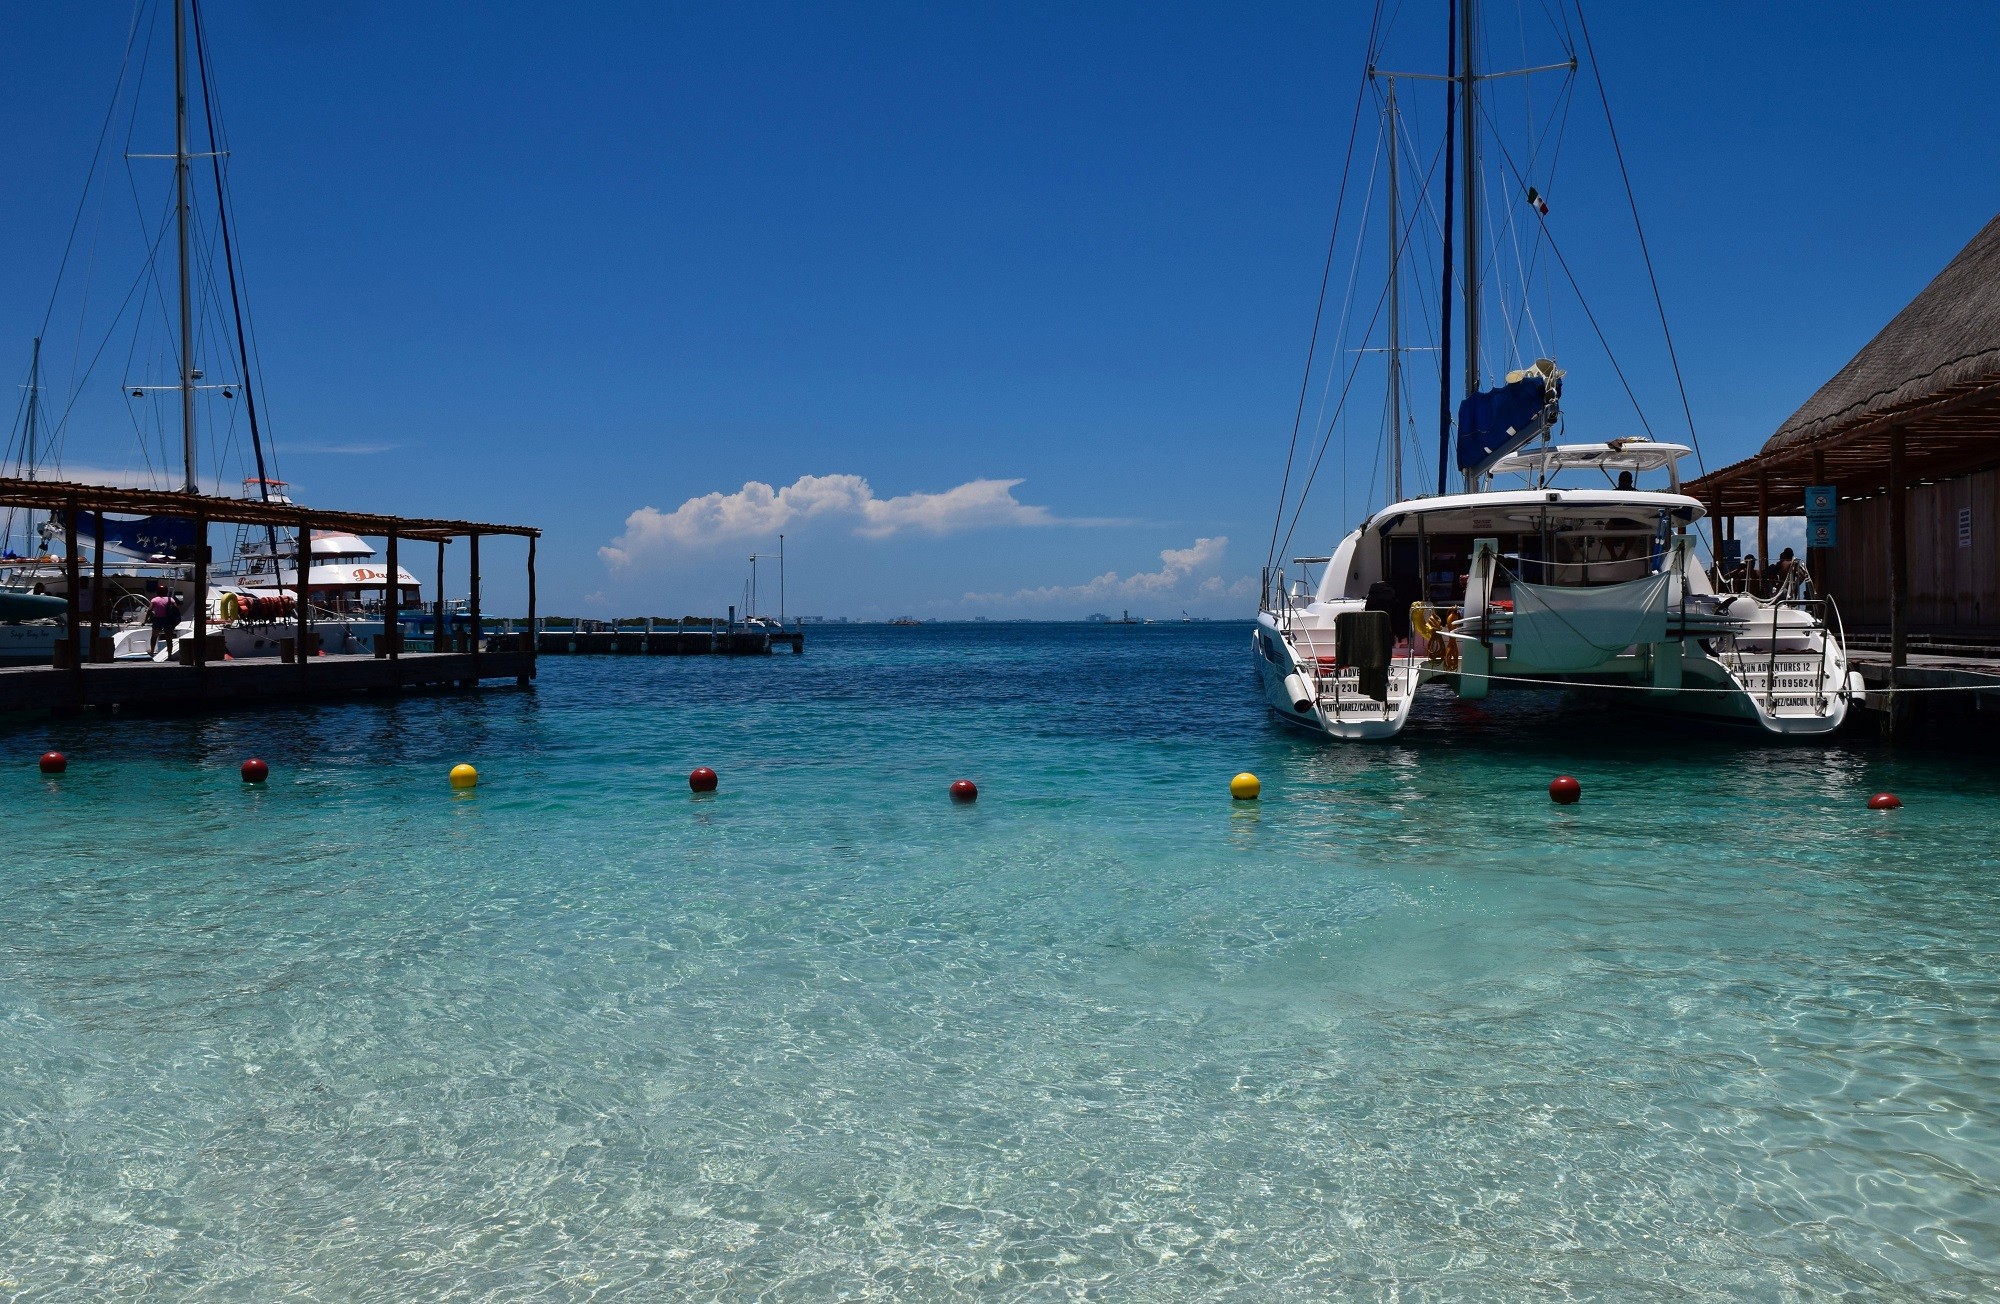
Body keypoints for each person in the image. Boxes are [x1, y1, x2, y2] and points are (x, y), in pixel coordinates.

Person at [148, 586, 180, 655]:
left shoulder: (154, 600)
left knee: (154, 636)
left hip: (158, 619)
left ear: (157, 592)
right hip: (168, 619)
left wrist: (146, 619)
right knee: (169, 638)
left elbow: (150, 610)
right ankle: (169, 655)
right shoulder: (171, 599)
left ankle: (152, 651)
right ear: (166, 591)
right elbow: (176, 609)